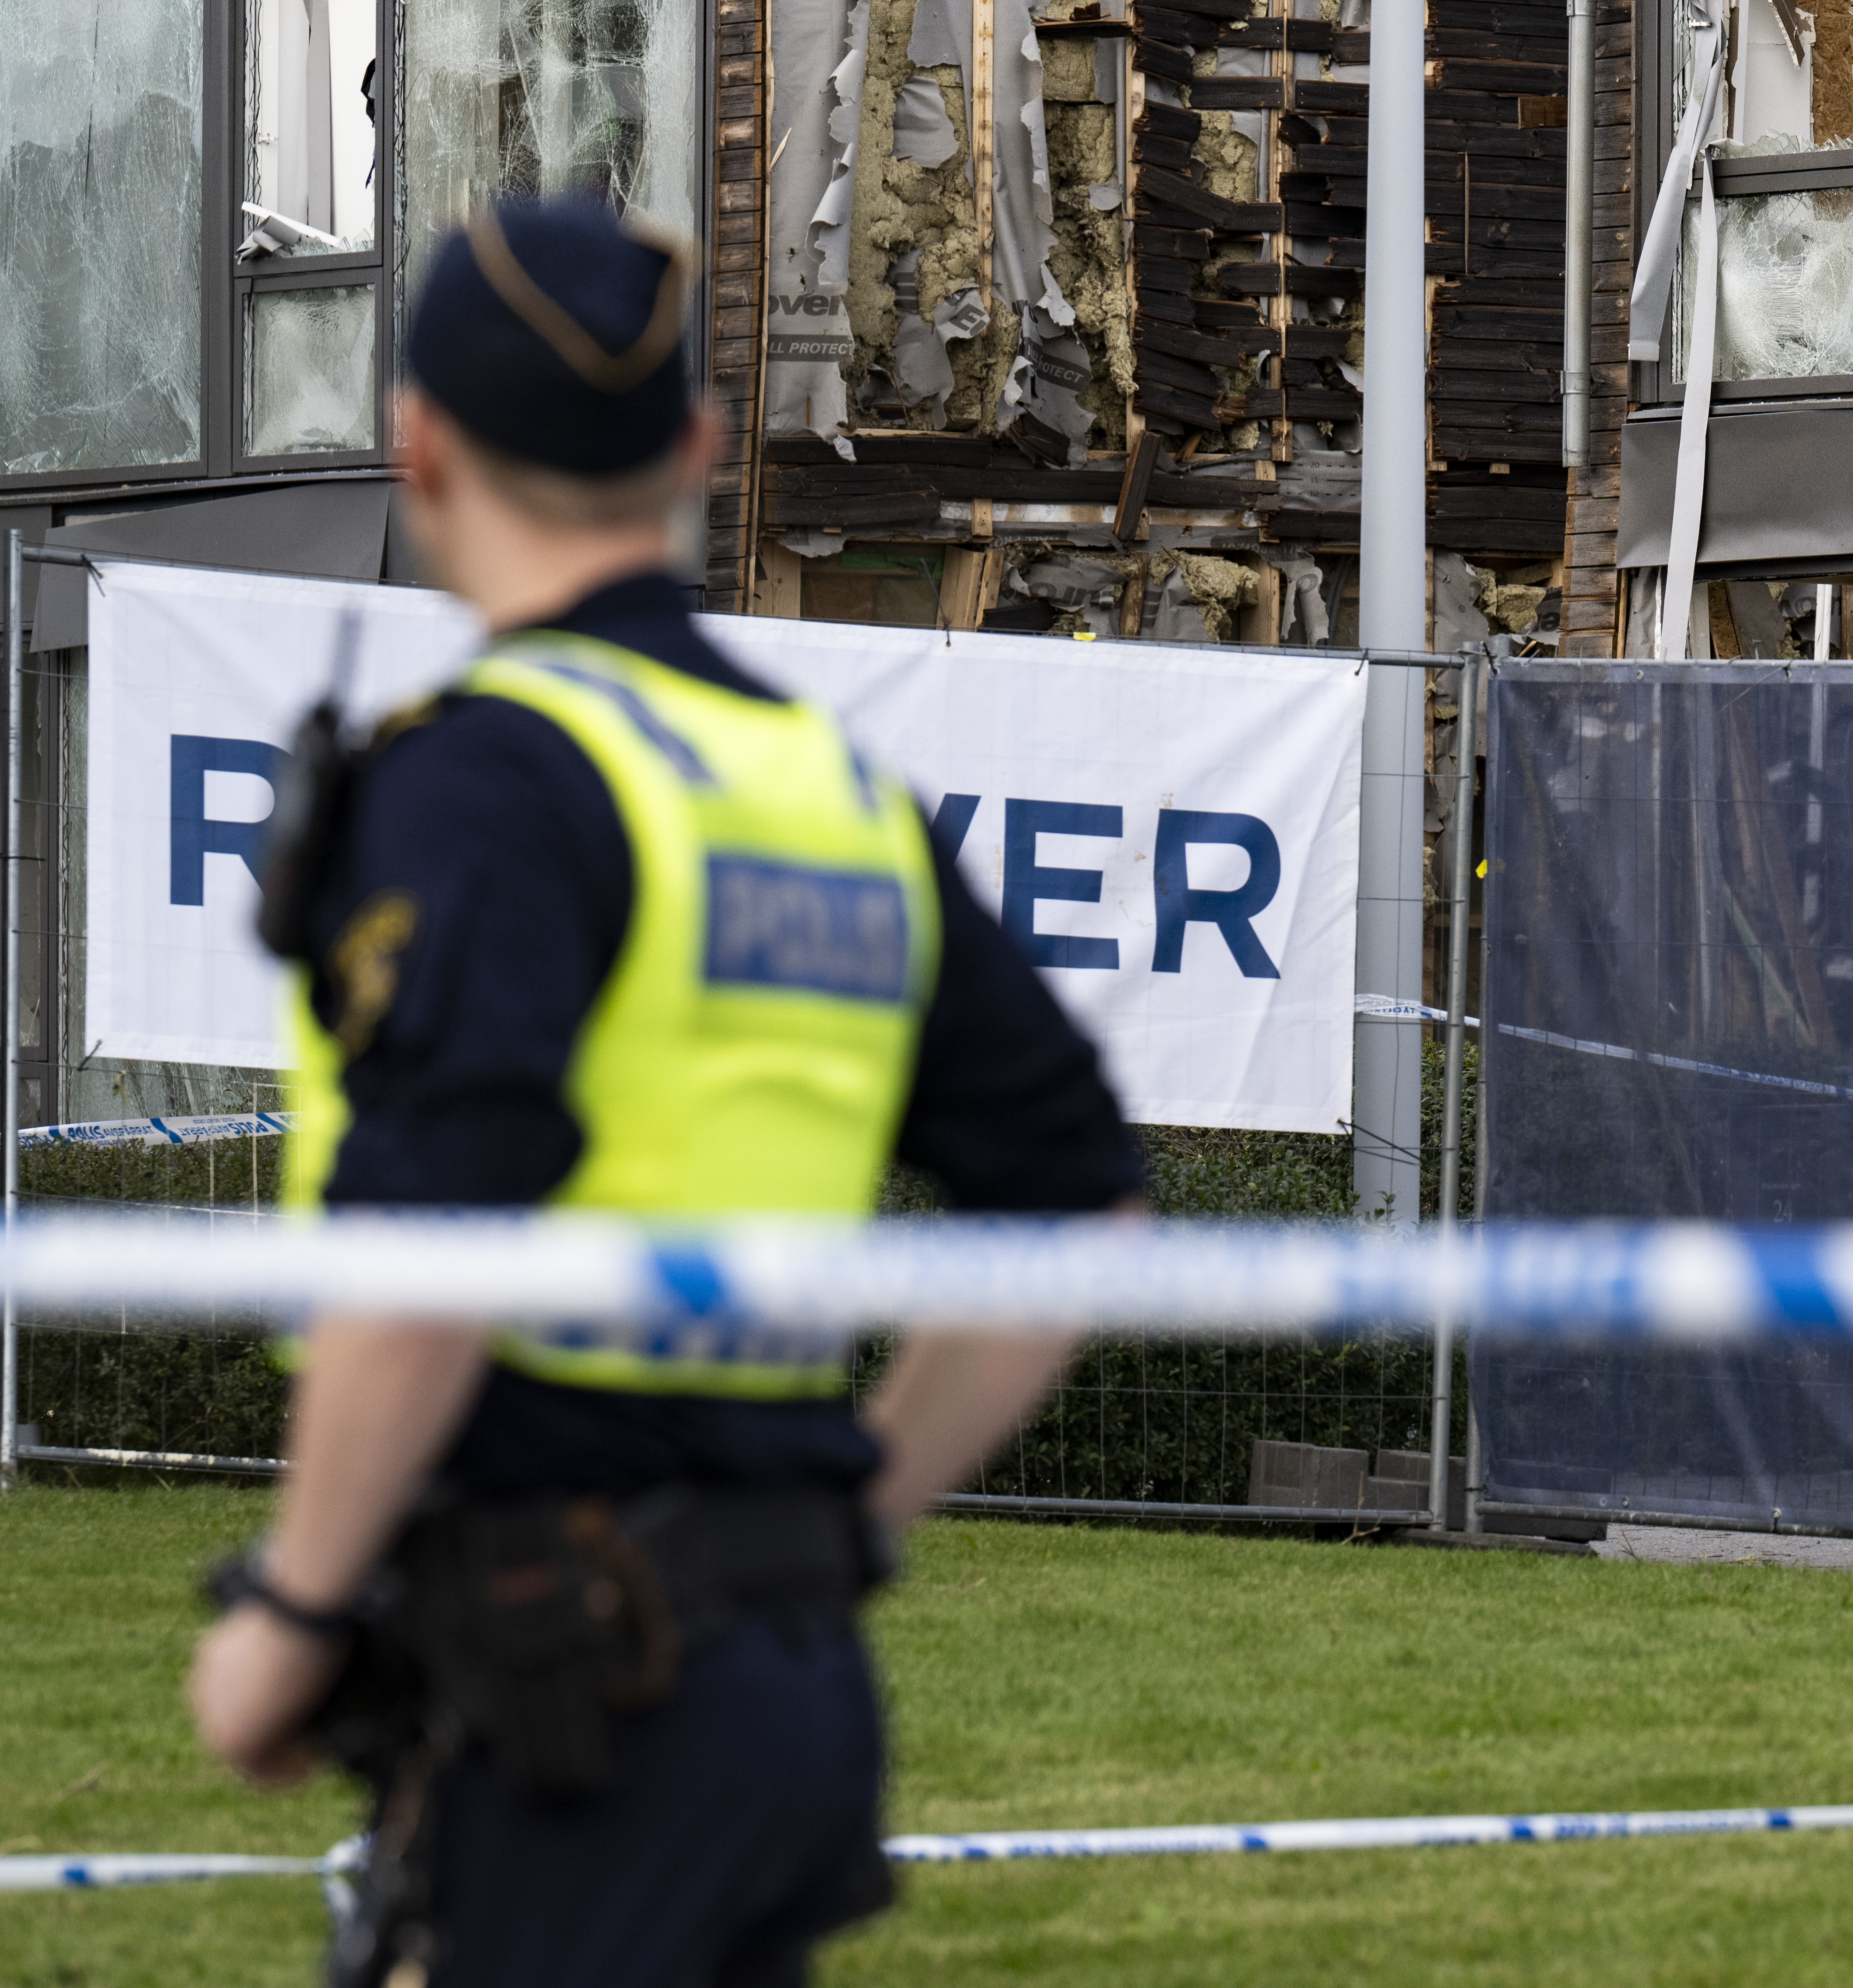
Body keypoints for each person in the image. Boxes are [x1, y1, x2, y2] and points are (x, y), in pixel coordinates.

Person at [184, 195, 1146, 1988]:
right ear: (695, 454)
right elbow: (1079, 1205)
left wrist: (293, 1609)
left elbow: (432, 1239)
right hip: (775, 1688)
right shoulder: (830, 795)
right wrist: (837, 1525)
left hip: (567, 1681)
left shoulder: (491, 783)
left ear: (419, 450)